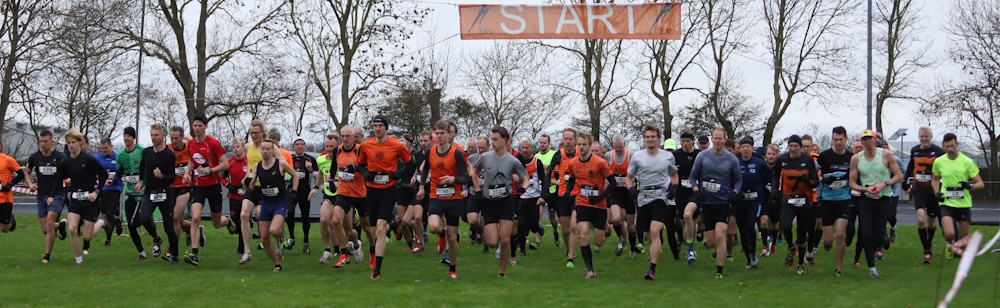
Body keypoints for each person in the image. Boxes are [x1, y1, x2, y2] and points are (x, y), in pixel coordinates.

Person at [357, 114, 413, 280]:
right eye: (375, 126)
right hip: (372, 191)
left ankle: (377, 271)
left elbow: (410, 163)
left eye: (380, 125)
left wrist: (400, 173)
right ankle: (393, 226)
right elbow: (360, 165)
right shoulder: (366, 146)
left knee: (380, 229)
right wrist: (365, 173)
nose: (377, 128)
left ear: (386, 128)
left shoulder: (395, 145)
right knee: (374, 232)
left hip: (389, 191)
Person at [418, 121, 473, 278]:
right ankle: (441, 233)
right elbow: (425, 170)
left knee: (452, 238)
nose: (440, 136)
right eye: (437, 133)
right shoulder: (430, 152)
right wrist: (422, 187)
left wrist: (453, 179)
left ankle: (453, 268)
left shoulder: (456, 153)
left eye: (443, 133)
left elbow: (465, 178)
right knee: (434, 226)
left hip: (453, 198)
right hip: (436, 195)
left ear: (449, 135)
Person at [471, 126, 527, 277]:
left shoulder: (513, 161)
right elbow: (474, 174)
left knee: (505, 239)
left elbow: (525, 177)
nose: (493, 143)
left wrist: (523, 188)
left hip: (505, 203)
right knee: (491, 242)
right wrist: (477, 191)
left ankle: (502, 270)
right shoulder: (485, 157)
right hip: (489, 203)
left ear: (505, 140)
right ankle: (486, 238)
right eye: (491, 139)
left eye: (496, 139)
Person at [47, 128, 108, 265]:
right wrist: (51, 196)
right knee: (72, 229)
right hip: (75, 199)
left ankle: (102, 222)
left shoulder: (89, 159)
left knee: (87, 236)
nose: (71, 145)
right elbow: (58, 179)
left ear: (80, 143)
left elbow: (103, 174)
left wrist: (96, 192)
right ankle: (78, 260)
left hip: (90, 200)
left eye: (73, 142)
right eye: (68, 143)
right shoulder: (65, 162)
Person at [626, 124, 679, 280]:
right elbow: (628, 178)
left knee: (655, 231)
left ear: (658, 139)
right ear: (645, 139)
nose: (650, 140)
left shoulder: (668, 156)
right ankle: (657, 241)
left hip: (661, 198)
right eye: (647, 137)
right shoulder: (637, 157)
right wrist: (631, 190)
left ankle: (652, 270)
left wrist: (674, 187)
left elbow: (674, 175)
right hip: (643, 199)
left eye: (652, 137)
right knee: (650, 237)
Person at [848, 129, 903, 279]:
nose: (867, 142)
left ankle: (882, 239)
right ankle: (872, 267)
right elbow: (852, 183)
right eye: (863, 140)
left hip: (883, 198)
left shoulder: (885, 155)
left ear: (875, 140)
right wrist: (865, 189)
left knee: (878, 238)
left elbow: (899, 175)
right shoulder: (856, 158)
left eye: (869, 139)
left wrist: (884, 184)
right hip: (866, 199)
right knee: (865, 232)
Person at [183, 115, 236, 266]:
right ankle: (195, 254)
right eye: (195, 126)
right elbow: (192, 160)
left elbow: (225, 164)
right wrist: (187, 173)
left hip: (213, 186)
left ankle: (227, 221)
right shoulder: (191, 144)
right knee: (195, 217)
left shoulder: (212, 143)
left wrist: (210, 170)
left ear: (206, 126)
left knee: (216, 223)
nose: (197, 128)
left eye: (200, 126)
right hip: (198, 186)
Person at [689, 128, 742, 278]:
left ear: (725, 140)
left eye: (720, 139)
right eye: (715, 138)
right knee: (711, 242)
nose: (718, 141)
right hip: (707, 203)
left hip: (723, 202)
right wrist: (696, 190)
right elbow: (693, 176)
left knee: (720, 236)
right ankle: (707, 236)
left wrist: (735, 193)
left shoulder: (731, 159)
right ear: (712, 139)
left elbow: (738, 179)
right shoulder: (702, 156)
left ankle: (719, 272)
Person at [564, 131, 617, 279]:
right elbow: (571, 179)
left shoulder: (600, 162)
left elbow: (613, 183)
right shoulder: (573, 163)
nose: (581, 147)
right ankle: (590, 270)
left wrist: (600, 196)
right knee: (584, 234)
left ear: (589, 145)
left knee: (598, 240)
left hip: (599, 204)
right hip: (582, 203)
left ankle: (605, 228)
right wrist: (569, 191)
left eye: (584, 144)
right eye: (579, 144)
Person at [244, 139, 299, 272]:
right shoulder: (257, 166)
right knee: (264, 239)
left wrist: (294, 192)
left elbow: (295, 175)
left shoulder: (280, 164)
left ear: (273, 150)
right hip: (266, 202)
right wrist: (248, 183)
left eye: (268, 149)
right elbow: (251, 187)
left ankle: (280, 236)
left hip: (280, 202)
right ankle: (276, 264)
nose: (265, 151)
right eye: (263, 149)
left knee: (274, 230)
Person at [932, 133, 984, 260]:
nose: (950, 149)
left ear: (957, 145)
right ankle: (950, 244)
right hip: (946, 203)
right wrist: (936, 193)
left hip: (963, 204)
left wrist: (970, 186)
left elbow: (980, 183)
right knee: (949, 234)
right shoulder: (939, 161)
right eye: (947, 146)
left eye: (952, 146)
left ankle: (957, 250)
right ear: (943, 146)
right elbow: (934, 179)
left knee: (963, 237)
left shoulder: (967, 162)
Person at [134, 124, 181, 264]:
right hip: (150, 192)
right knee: (143, 218)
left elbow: (172, 177)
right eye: (152, 135)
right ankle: (156, 238)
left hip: (165, 193)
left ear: (163, 136)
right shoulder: (147, 152)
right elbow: (142, 167)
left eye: (156, 135)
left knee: (169, 227)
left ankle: (175, 255)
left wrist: (162, 177)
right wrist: (140, 181)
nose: (153, 137)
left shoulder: (169, 154)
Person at [772, 134, 818, 275]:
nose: (793, 149)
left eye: (795, 146)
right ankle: (791, 247)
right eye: (790, 146)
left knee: (802, 235)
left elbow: (815, 182)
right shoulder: (782, 159)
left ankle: (800, 263)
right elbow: (775, 175)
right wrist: (776, 190)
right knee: (786, 226)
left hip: (805, 202)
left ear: (800, 147)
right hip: (788, 200)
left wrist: (806, 180)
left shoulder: (808, 160)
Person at [115, 127, 163, 259]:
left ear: (133, 138)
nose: (126, 138)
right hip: (129, 193)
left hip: (142, 193)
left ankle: (156, 238)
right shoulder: (120, 155)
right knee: (132, 225)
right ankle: (143, 250)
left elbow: (151, 168)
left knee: (134, 222)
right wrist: (112, 180)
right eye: (124, 136)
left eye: (129, 136)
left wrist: (146, 183)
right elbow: (119, 172)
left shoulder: (142, 152)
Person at [25, 130, 67, 264]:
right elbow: (27, 172)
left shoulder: (60, 158)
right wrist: (30, 184)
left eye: (45, 142)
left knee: (49, 223)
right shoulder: (34, 158)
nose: (43, 144)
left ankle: (46, 256)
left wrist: (68, 182)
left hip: (57, 195)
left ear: (51, 142)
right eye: (41, 141)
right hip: (42, 194)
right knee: (45, 229)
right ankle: (60, 226)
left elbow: (64, 176)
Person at [817, 127, 854, 276]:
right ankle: (826, 244)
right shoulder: (824, 156)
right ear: (832, 139)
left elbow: (856, 175)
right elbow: (813, 174)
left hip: (843, 200)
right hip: (827, 200)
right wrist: (824, 179)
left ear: (846, 139)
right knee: (828, 241)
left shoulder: (852, 157)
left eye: (841, 139)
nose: (838, 142)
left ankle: (839, 268)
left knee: (840, 234)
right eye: (835, 139)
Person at [905, 127, 945, 263]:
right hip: (919, 189)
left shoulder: (938, 151)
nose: (924, 139)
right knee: (921, 219)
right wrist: (905, 180)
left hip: (933, 190)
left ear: (931, 136)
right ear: (919, 137)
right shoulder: (915, 150)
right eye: (921, 136)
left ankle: (929, 242)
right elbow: (910, 166)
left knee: (932, 222)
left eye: (926, 136)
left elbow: (944, 169)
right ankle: (926, 250)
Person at [329, 126, 366, 268]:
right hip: (343, 192)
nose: (344, 139)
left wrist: (355, 169)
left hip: (359, 193)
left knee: (352, 230)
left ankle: (356, 245)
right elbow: (333, 166)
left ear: (353, 137)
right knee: (336, 221)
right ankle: (344, 255)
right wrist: (332, 180)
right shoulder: (337, 150)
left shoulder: (360, 150)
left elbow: (367, 168)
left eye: (347, 136)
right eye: (342, 137)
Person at [544, 128, 580, 268]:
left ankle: (571, 256)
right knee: (565, 230)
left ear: (575, 140)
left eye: (570, 139)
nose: (568, 141)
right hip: (562, 195)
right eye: (565, 139)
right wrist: (545, 192)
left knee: (573, 226)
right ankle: (569, 249)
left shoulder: (580, 153)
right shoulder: (559, 154)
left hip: (578, 195)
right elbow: (548, 173)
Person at [735, 136, 767, 270]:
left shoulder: (759, 163)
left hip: (755, 200)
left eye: (748, 147)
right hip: (739, 201)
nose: (745, 149)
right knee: (742, 230)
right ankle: (748, 258)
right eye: (743, 147)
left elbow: (770, 177)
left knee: (749, 226)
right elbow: (730, 179)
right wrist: (736, 191)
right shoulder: (735, 162)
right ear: (740, 149)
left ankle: (753, 252)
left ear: (752, 148)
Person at [605, 134, 639, 258]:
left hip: (628, 192)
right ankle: (620, 239)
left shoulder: (631, 155)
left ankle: (632, 249)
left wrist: (634, 180)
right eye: (615, 147)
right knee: (615, 219)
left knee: (630, 226)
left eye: (620, 147)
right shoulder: (609, 156)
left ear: (624, 145)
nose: (618, 150)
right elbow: (606, 172)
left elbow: (638, 172)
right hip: (616, 192)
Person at [167, 126, 197, 250]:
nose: (174, 141)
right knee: (180, 221)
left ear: (182, 137)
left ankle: (173, 248)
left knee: (175, 216)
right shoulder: (167, 149)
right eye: (172, 138)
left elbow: (193, 158)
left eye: (177, 138)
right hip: (170, 187)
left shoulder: (189, 148)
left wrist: (187, 174)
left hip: (184, 187)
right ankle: (193, 228)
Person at [515, 137, 545, 259]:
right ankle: (522, 250)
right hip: (522, 197)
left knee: (533, 225)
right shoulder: (516, 161)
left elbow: (544, 179)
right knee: (521, 224)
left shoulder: (536, 162)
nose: (524, 150)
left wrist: (543, 196)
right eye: (522, 148)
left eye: (527, 148)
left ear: (532, 148)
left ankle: (537, 226)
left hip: (534, 196)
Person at [287, 136, 317, 253]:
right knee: (290, 213)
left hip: (305, 192)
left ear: (304, 146)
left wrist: (310, 170)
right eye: (297, 144)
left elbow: (318, 176)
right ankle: (291, 237)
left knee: (305, 217)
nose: (300, 146)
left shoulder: (309, 159)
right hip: (292, 191)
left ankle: (306, 240)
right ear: (293, 146)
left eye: (302, 144)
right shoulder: (290, 158)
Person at [676, 130, 702, 264]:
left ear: (693, 141)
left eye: (688, 141)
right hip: (680, 193)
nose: (685, 144)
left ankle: (690, 249)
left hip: (695, 192)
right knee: (684, 223)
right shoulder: (676, 155)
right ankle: (689, 248)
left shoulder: (699, 155)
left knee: (688, 215)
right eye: (683, 141)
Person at [93, 138, 123, 247]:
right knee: (105, 216)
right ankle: (109, 238)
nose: (104, 150)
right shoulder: (97, 158)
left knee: (109, 213)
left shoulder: (117, 157)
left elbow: (120, 171)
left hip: (115, 189)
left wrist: (116, 180)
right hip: (102, 190)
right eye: (102, 148)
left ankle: (116, 223)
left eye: (106, 148)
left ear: (111, 146)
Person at [223, 137, 249, 257]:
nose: (235, 149)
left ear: (243, 147)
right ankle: (247, 223)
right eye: (233, 147)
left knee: (243, 219)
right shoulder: (229, 162)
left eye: (237, 147)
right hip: (234, 195)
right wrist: (228, 185)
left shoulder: (248, 161)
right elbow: (221, 177)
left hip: (246, 195)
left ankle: (241, 248)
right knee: (236, 222)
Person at [534, 134, 560, 247]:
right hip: (540, 188)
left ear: (549, 143)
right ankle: (537, 241)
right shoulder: (536, 157)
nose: (542, 144)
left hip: (552, 189)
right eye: (540, 142)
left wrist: (548, 167)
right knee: (538, 214)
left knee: (552, 217)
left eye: (544, 142)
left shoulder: (554, 155)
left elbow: (558, 170)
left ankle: (555, 231)